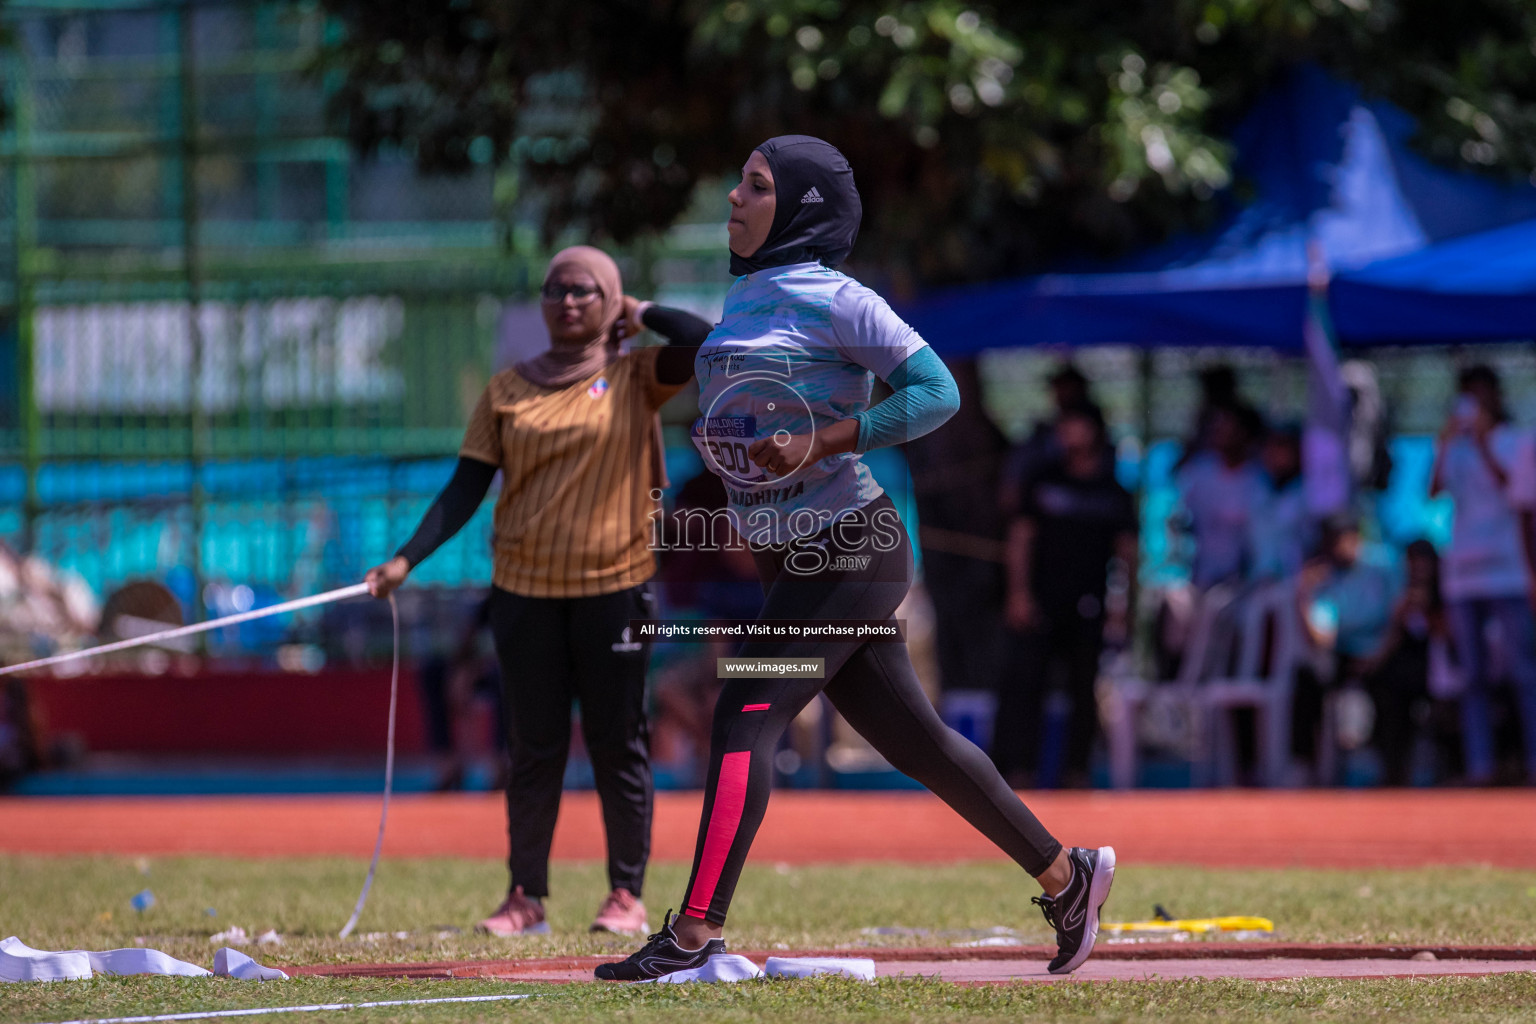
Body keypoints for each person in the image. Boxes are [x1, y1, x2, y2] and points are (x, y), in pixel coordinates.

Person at [595, 135, 1114, 982]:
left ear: (800, 209)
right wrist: (646, 309)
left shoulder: (841, 300)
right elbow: (711, 346)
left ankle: (692, 936)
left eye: (754, 186)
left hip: (848, 552)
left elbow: (936, 392)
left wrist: (827, 437)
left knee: (745, 713)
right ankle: (1068, 878)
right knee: (920, 744)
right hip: (797, 564)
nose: (731, 197)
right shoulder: (752, 299)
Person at [365, 246, 713, 936]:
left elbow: (707, 343)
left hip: (615, 589)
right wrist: (405, 561)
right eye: (556, 289)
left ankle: (625, 895)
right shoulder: (505, 391)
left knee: (619, 742)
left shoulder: (636, 375)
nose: (568, 301)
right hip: (524, 594)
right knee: (534, 745)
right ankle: (524, 895)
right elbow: (464, 489)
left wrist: (637, 312)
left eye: (586, 290)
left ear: (609, 299)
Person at [994, 404, 1138, 788]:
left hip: (1090, 604)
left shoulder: (1113, 493)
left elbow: (1128, 555)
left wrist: (1125, 608)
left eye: (1076, 425)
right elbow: (1021, 540)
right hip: (1041, 602)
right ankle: (1020, 771)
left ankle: (1076, 773)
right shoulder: (1042, 480)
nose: (1068, 434)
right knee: (1027, 686)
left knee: (1083, 690)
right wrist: (1018, 594)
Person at [1430, 365, 1536, 784]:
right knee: (1470, 676)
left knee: (1522, 669)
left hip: (1507, 572)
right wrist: (1444, 445)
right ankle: (1481, 766)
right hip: (1462, 574)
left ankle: (1531, 761)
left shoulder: (1515, 441)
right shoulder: (1453, 446)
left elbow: (1516, 492)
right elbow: (1432, 492)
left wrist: (1486, 442)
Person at [1359, 540, 1459, 786]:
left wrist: (1427, 612)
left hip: (1445, 669)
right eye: (1413, 561)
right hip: (1410, 669)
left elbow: (1452, 638)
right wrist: (1402, 613)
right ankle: (1393, 769)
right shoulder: (1402, 592)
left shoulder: (1448, 591)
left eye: (1423, 561)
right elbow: (1392, 641)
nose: (1418, 567)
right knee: (1385, 689)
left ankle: (1453, 771)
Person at [1175, 404, 1268, 589]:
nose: (1220, 433)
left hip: (1246, 584)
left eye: (1227, 427)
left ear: (1244, 433)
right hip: (1200, 578)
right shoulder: (1197, 472)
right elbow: (1180, 522)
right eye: (1217, 427)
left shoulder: (1261, 480)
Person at [1248, 425, 1312, 582]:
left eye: (1281, 448)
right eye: (1270, 448)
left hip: (1293, 583)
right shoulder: (1256, 485)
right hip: (1256, 580)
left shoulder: (1307, 493)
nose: (1274, 455)